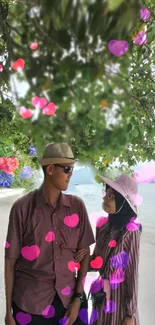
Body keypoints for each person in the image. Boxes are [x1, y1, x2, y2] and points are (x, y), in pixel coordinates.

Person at [4, 143, 95, 325]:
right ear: (51, 169)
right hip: (30, 304)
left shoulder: (77, 207)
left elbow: (85, 255)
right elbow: (10, 261)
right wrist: (8, 312)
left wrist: (78, 297)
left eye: (72, 169)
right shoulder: (21, 209)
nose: (71, 175)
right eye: (67, 169)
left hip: (69, 301)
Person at [75, 174, 142, 325]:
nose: (105, 199)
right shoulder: (103, 226)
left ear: (123, 202)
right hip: (101, 299)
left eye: (111, 196)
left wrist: (130, 314)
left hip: (119, 303)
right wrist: (82, 255)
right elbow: (98, 262)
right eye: (106, 194)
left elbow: (132, 274)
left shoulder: (130, 231)